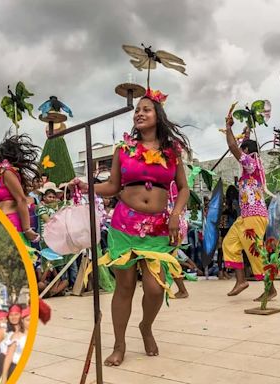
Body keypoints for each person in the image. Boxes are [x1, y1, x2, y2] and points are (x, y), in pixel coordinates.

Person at [71, 88, 190, 367]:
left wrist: (175, 214)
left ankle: (146, 326)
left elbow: (183, 188)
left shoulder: (172, 152)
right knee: (124, 287)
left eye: (146, 109)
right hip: (124, 224)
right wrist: (88, 186)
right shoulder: (123, 150)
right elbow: (113, 187)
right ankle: (119, 344)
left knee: (154, 288)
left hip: (159, 228)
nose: (139, 113)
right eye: (137, 110)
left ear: (158, 115)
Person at [222, 116, 275, 301]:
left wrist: (228, 128)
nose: (240, 157)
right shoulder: (252, 164)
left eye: (243, 150)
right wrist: (246, 133)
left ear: (246, 152)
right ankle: (241, 281)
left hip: (254, 216)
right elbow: (241, 147)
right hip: (245, 216)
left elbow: (233, 147)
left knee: (255, 252)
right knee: (229, 244)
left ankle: (270, 289)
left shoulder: (251, 163)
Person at [0, 134, 41, 243]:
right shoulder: (2, 176)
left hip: (11, 223)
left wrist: (27, 229)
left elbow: (21, 199)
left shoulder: (9, 172)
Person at [0, 307, 29, 384]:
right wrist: (4, 378)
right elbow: (8, 358)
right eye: (28, 320)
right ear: (22, 321)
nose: (31, 322)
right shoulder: (17, 336)